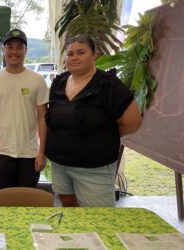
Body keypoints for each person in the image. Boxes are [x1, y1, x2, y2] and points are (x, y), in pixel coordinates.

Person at [45, 34, 142, 207]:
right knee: (67, 211)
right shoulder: (59, 83)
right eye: (70, 53)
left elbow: (132, 122)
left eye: (81, 52)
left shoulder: (108, 85)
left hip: (94, 168)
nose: (74, 57)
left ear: (94, 54)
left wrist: (102, 135)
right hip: (59, 164)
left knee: (97, 219)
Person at [0, 29, 49, 191]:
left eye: (19, 47)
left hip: (29, 153)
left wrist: (41, 152)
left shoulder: (37, 80)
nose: (14, 52)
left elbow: (42, 118)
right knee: (2, 202)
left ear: (26, 50)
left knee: (27, 202)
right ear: (4, 50)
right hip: (1, 151)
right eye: (10, 47)